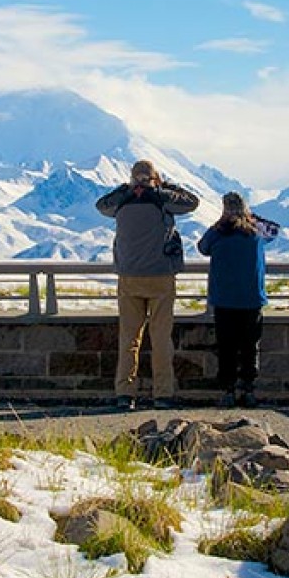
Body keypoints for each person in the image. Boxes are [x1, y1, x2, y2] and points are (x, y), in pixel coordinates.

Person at [95, 160, 199, 410]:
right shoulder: (162, 198)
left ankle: (125, 393)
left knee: (129, 338)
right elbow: (192, 202)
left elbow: (101, 205)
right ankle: (162, 394)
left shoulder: (122, 200)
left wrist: (127, 187)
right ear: (155, 178)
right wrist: (165, 186)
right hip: (161, 275)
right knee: (161, 338)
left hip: (129, 276)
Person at [197, 191, 280, 408]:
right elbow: (275, 229)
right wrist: (251, 216)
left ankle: (228, 390)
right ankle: (249, 388)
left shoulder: (217, 232)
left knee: (227, 347)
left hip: (224, 299)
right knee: (250, 346)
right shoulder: (256, 232)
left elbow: (202, 248)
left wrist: (221, 222)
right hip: (252, 299)